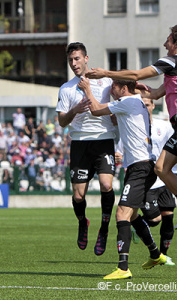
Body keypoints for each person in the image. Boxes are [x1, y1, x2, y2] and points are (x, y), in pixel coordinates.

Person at [85, 24, 177, 229]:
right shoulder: (175, 70)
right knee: (160, 168)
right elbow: (157, 94)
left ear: (176, 44)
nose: (164, 44)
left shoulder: (174, 60)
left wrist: (106, 72)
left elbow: (138, 74)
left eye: (167, 40)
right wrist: (143, 91)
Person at [79, 77, 166, 279]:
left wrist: (87, 90)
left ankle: (123, 268)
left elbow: (95, 109)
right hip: (143, 166)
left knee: (121, 215)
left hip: (140, 167)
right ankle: (155, 254)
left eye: (114, 89)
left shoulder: (127, 101)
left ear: (124, 88)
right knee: (133, 215)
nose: (111, 92)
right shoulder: (136, 101)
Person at [56, 42, 116, 256]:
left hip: (104, 140)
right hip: (80, 143)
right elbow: (62, 121)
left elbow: (121, 98)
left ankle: (105, 228)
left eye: (77, 59)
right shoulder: (66, 88)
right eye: (71, 60)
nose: (74, 63)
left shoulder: (105, 81)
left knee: (107, 185)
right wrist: (74, 110)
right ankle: (83, 222)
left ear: (86, 58)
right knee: (79, 196)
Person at [116, 98, 177, 266]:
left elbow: (174, 147)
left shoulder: (163, 126)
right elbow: (119, 149)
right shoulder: (132, 124)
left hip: (163, 177)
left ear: (152, 106)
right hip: (144, 175)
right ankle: (145, 241)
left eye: (148, 104)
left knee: (168, 218)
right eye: (143, 103)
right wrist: (118, 155)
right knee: (154, 219)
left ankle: (162, 256)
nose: (145, 107)